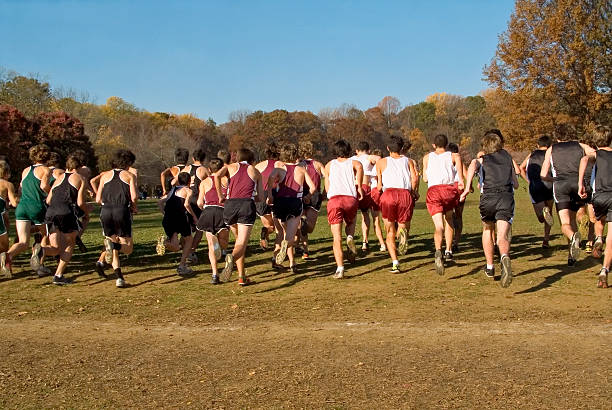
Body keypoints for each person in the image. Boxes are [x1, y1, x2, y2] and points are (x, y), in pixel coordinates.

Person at [460, 132, 518, 288]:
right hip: (506, 196)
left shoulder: (483, 159)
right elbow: (516, 183)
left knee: (487, 229)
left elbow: (473, 164)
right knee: (502, 235)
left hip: (488, 198)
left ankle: (490, 266)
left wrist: (467, 187)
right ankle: (504, 256)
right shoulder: (507, 159)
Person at [540, 123, 595, 266]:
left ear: (557, 137)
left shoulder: (551, 149)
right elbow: (596, 153)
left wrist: (554, 179)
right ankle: (572, 256)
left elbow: (543, 174)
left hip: (560, 186)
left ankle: (572, 240)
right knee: (574, 219)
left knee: (565, 223)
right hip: (578, 183)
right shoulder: (580, 145)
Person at [214, 148, 263, 286]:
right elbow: (261, 197)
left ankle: (241, 276)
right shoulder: (256, 172)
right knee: (241, 243)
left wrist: (220, 195)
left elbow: (216, 176)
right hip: (246, 205)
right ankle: (231, 258)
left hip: (230, 206)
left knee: (238, 242)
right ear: (251, 159)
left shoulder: (230, 167)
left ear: (237, 158)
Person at [267, 143, 317, 273]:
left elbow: (271, 177)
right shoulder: (301, 169)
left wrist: (269, 195)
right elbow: (313, 187)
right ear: (296, 156)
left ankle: (291, 262)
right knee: (291, 235)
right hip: (295, 203)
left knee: (284, 232)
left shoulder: (279, 168)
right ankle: (287, 247)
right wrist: (308, 196)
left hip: (279, 203)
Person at [93, 149, 138, 288]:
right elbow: (134, 197)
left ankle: (119, 278)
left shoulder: (105, 175)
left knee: (112, 244)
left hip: (105, 211)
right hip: (121, 210)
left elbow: (98, 199)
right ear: (128, 162)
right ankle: (114, 246)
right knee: (127, 248)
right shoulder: (129, 175)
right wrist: (134, 207)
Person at [7, 144, 52, 276]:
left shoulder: (25, 170)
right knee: (47, 234)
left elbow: (20, 189)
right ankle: (39, 265)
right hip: (36, 205)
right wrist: (53, 192)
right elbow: (44, 185)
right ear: (47, 156)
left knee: (23, 241)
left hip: (22, 207)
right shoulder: (46, 170)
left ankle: (7, 256)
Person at [42, 154, 87, 285]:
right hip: (66, 212)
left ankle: (42, 250)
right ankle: (58, 275)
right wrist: (86, 210)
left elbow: (49, 200)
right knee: (69, 243)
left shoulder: (58, 178)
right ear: (78, 167)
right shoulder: (80, 178)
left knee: (55, 247)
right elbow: (80, 202)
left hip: (50, 213)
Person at [376, 135, 419, 273]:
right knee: (403, 224)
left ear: (388, 148)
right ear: (401, 148)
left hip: (388, 194)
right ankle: (403, 235)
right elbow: (415, 178)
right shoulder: (409, 161)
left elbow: (378, 186)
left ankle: (395, 263)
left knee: (389, 231)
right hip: (404, 194)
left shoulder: (381, 162)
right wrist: (413, 192)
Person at [423, 134, 464, 275]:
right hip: (448, 190)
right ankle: (448, 250)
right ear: (447, 145)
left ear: (434, 145)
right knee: (449, 220)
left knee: (438, 226)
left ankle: (438, 250)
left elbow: (425, 178)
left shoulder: (427, 157)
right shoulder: (454, 156)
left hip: (433, 191)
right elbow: (460, 176)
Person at [324, 140, 364, 279]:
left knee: (336, 238)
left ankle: (340, 269)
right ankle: (350, 237)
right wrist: (358, 188)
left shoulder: (329, 165)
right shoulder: (355, 163)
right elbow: (359, 182)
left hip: (335, 200)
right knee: (351, 223)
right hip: (350, 199)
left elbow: (327, 188)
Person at [578, 125, 612, 288]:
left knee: (599, 219)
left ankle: (598, 238)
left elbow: (584, 159)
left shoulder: (596, 154)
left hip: (598, 196)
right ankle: (604, 270)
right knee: (611, 236)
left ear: (595, 141)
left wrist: (580, 184)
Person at [157, 172, 198, 276]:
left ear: (178, 181)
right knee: (189, 239)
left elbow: (160, 202)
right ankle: (182, 265)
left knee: (175, 247)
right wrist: (194, 216)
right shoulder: (188, 190)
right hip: (181, 218)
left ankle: (164, 243)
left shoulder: (172, 190)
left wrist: (165, 213)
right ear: (189, 182)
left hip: (168, 219)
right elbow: (186, 204)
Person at [196, 158, 229, 284]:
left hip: (208, 212)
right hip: (223, 211)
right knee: (224, 242)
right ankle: (220, 247)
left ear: (209, 170)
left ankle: (215, 274)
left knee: (210, 245)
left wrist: (203, 207)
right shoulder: (226, 180)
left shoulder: (204, 182)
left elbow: (199, 202)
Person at [519, 135, 555, 248]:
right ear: (549, 145)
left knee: (541, 218)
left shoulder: (532, 154)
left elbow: (521, 168)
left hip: (535, 187)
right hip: (549, 185)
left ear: (537, 145)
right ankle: (546, 239)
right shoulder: (552, 154)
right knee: (549, 213)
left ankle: (543, 214)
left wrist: (528, 181)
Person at [298, 140, 325, 259]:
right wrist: (325, 193)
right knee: (310, 228)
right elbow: (327, 178)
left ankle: (305, 250)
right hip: (315, 195)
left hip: (301, 195)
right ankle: (304, 249)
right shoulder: (318, 165)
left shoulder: (298, 165)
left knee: (302, 224)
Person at [183, 149, 208, 263]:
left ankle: (186, 250)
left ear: (193, 158)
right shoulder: (203, 169)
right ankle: (191, 251)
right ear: (204, 159)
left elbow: (175, 181)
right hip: (197, 200)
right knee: (199, 228)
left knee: (187, 228)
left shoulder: (186, 168)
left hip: (186, 200)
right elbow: (210, 183)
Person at [254, 144, 280, 250]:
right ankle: (278, 249)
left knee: (268, 225)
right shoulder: (280, 165)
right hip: (275, 194)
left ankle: (265, 234)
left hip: (261, 196)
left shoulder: (259, 166)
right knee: (277, 227)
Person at [352, 141, 376, 252]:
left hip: (352, 188)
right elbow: (378, 158)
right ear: (368, 150)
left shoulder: (352, 159)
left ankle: (350, 237)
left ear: (357, 150)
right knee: (365, 214)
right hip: (365, 187)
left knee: (352, 215)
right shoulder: (369, 157)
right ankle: (365, 241)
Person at [447, 143, 469, 252]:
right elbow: (466, 174)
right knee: (459, 216)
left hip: (449, 188)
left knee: (448, 216)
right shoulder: (460, 161)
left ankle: (449, 244)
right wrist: (470, 187)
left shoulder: (446, 160)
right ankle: (456, 241)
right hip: (459, 189)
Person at [0, 161, 19, 277]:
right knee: (4, 245)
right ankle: (6, 265)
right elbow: (13, 203)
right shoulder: (7, 184)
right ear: (6, 172)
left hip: (2, 213)